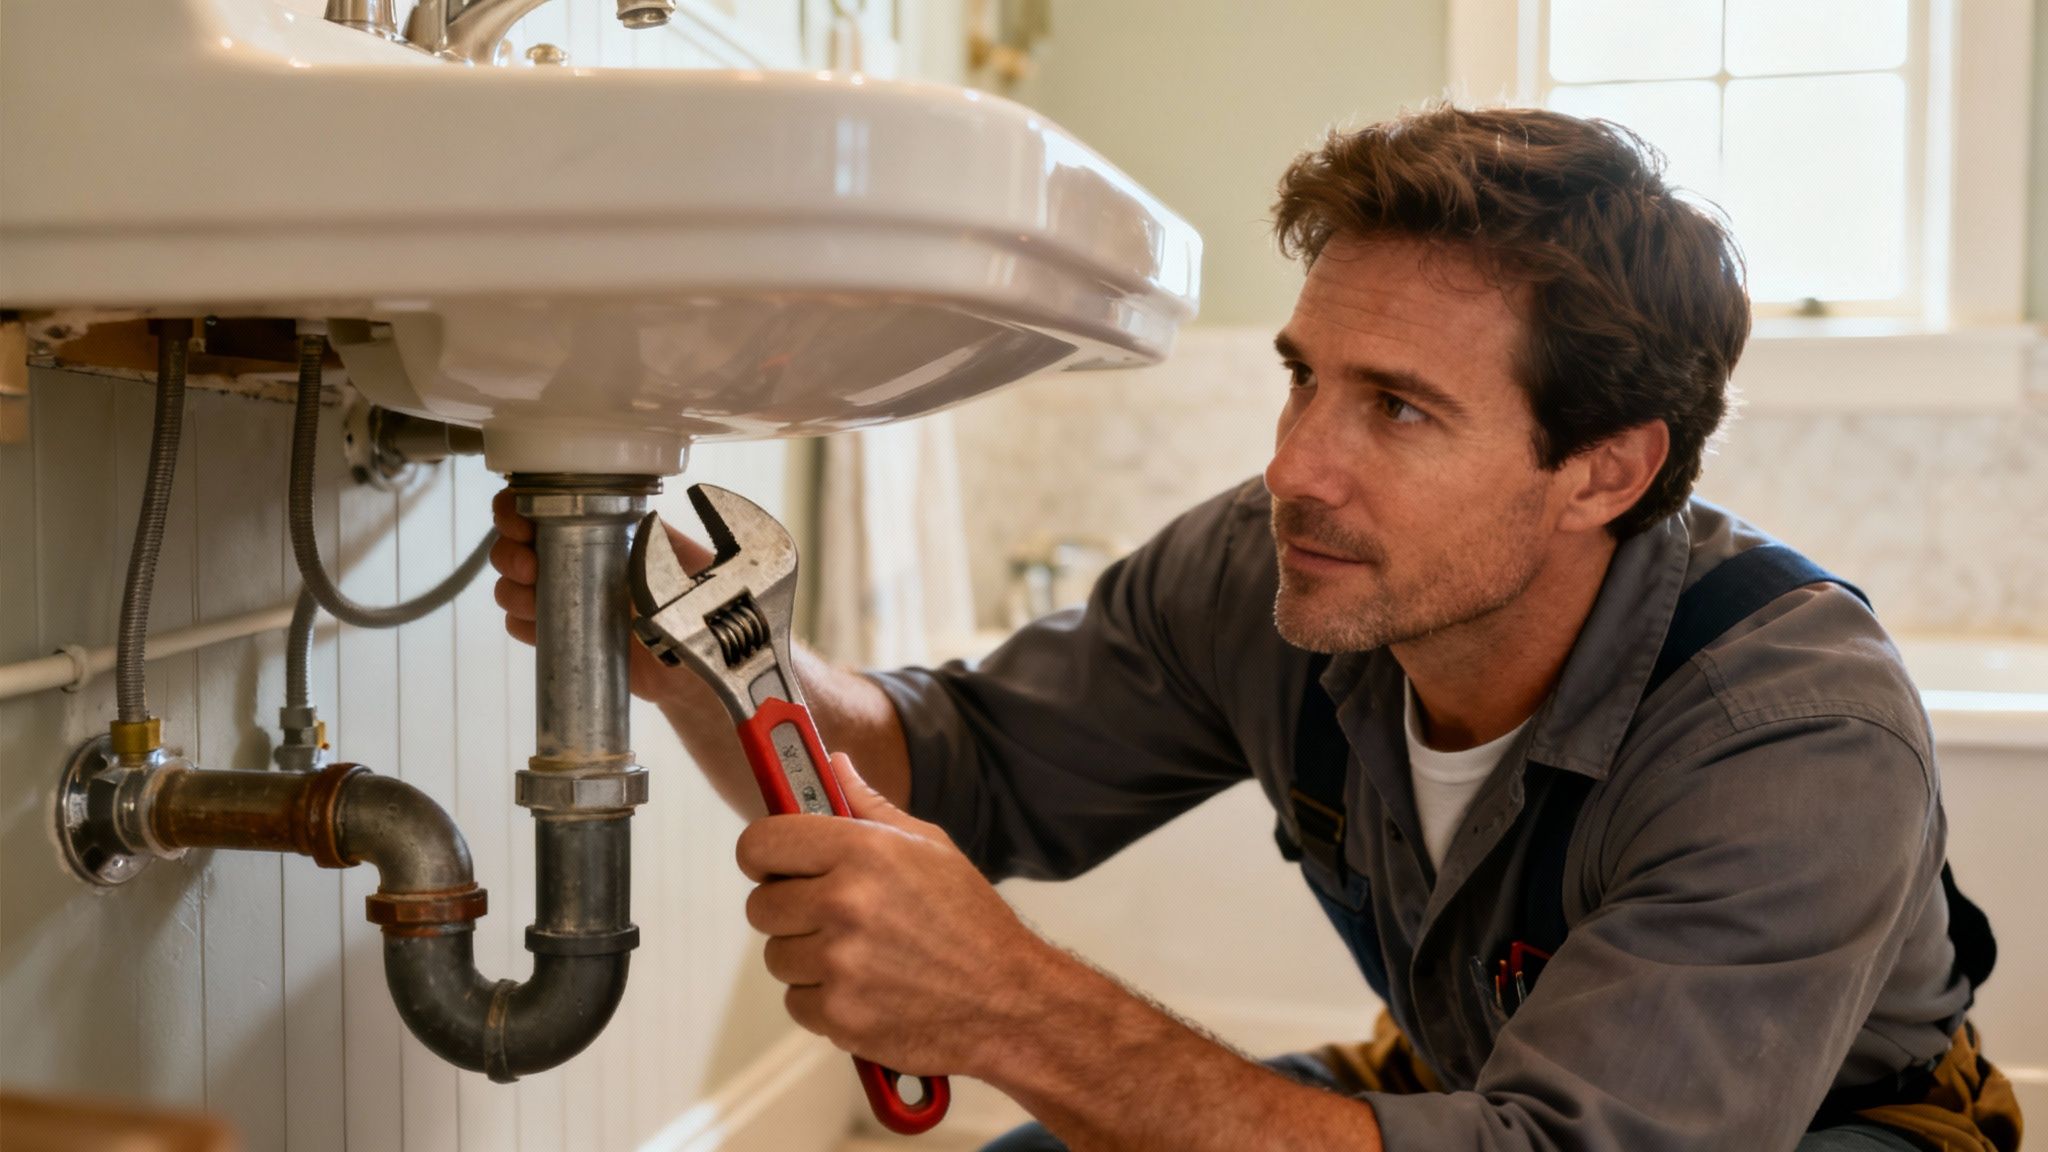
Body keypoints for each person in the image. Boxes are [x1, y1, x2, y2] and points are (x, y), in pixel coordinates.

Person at [490, 105, 2021, 1151]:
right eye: (1305, 376)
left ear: (1604, 469)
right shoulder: (1277, 573)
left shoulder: (1793, 735)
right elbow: (963, 764)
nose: (1299, 467)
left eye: (1400, 410)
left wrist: (1017, 1007)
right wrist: (700, 655)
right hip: (1467, 1092)